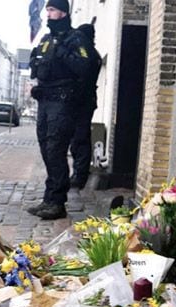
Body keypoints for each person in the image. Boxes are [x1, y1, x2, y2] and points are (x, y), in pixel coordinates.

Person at [26, 0, 101, 220]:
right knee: (45, 146)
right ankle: (49, 197)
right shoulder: (47, 39)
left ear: (63, 12)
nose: (48, 14)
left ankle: (57, 201)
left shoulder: (75, 38)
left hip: (64, 101)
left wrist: (63, 54)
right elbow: (38, 64)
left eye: (52, 10)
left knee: (55, 148)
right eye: (47, 10)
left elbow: (86, 67)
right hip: (46, 100)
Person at [69, 22, 102, 190]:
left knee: (79, 139)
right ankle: (79, 172)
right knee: (78, 138)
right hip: (84, 100)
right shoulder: (91, 53)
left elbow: (82, 77)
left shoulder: (89, 54)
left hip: (83, 101)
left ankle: (80, 174)